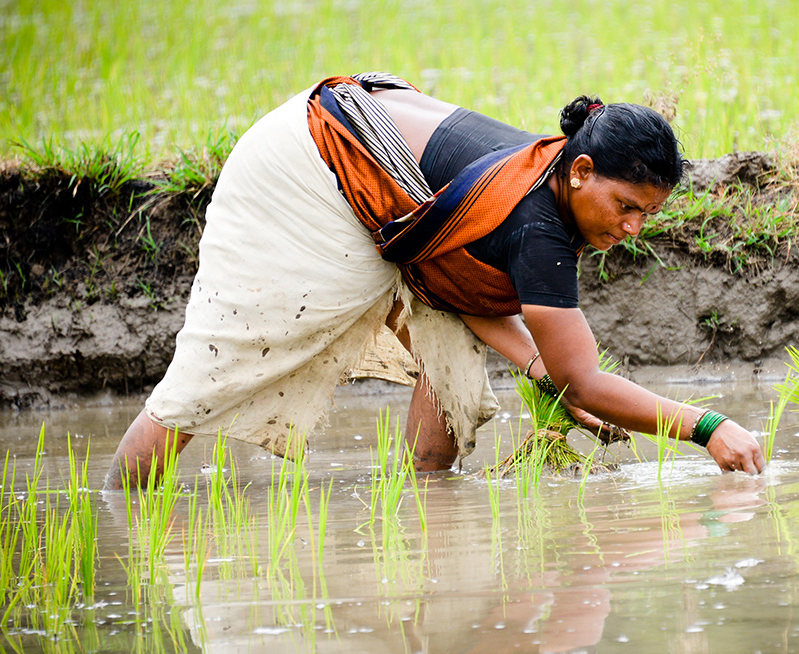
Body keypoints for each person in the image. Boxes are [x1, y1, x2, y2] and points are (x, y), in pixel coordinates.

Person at [107, 73, 764, 487]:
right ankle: (121, 512)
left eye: (647, 216)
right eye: (627, 208)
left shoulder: (550, 183)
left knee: (449, 368)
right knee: (211, 376)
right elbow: (580, 377)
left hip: (367, 167)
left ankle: (426, 503)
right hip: (306, 168)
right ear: (583, 169)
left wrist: (541, 369)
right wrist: (708, 428)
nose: (632, 231)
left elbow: (457, 277)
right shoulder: (538, 226)